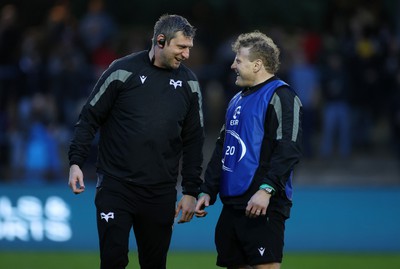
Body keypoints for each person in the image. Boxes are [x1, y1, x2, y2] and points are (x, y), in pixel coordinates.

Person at [68, 14, 204, 269]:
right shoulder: (121, 71)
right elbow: (89, 118)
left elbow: (194, 140)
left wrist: (190, 191)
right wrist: (75, 162)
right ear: (160, 41)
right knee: (113, 261)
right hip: (116, 186)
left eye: (189, 48)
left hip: (160, 192)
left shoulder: (190, 83)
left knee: (154, 265)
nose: (186, 54)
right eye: (181, 47)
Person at [195, 31, 303, 269]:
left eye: (238, 60)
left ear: (257, 64)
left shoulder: (281, 95)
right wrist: (207, 190)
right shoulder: (236, 100)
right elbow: (224, 148)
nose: (232, 65)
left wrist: (267, 189)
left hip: (263, 203)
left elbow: (289, 147)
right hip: (232, 205)